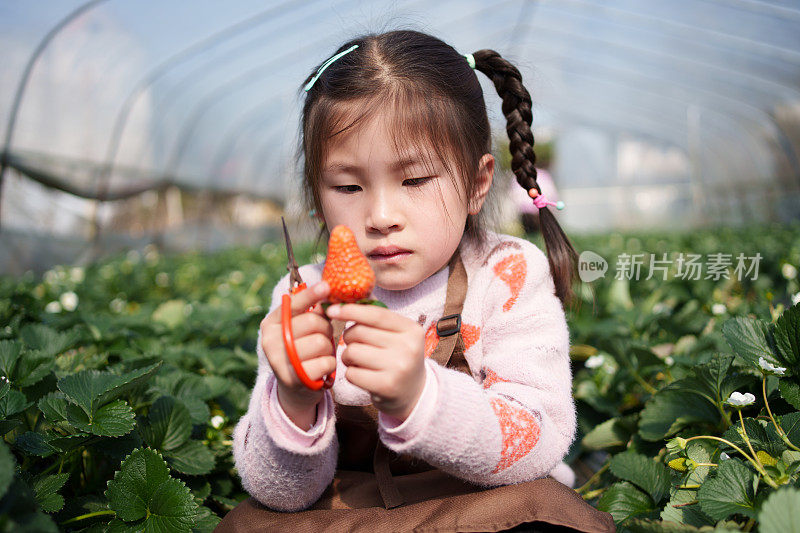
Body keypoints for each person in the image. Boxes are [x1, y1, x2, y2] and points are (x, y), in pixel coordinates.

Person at [219, 30, 614, 532]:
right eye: (348, 186)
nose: (381, 216)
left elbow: (537, 439)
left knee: (547, 516)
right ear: (317, 199)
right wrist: (294, 400)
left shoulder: (507, 272)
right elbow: (284, 494)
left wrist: (418, 397)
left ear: (477, 183)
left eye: (414, 180)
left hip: (487, 508)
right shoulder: (303, 297)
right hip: (351, 512)